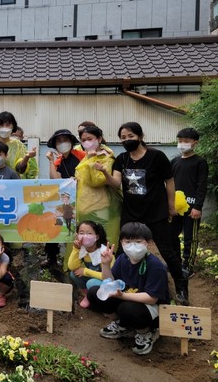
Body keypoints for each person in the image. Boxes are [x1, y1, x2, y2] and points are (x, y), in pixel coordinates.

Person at [97, 122, 189, 305]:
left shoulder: (157, 157)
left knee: (167, 251)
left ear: (140, 136)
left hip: (155, 212)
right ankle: (120, 286)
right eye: (123, 137)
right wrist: (104, 173)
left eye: (130, 136)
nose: (126, 140)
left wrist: (171, 206)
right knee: (124, 250)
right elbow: (116, 183)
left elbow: (169, 181)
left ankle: (181, 287)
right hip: (131, 212)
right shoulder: (122, 159)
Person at [87, 222, 170, 356]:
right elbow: (110, 282)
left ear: (148, 243)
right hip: (127, 299)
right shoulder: (123, 258)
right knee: (94, 293)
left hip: (153, 308)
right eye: (128, 241)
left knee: (127, 308)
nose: (133, 246)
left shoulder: (155, 266)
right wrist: (106, 264)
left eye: (138, 241)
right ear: (122, 242)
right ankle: (123, 326)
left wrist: (122, 296)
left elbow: (151, 297)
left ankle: (147, 332)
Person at [43, 128, 85, 267]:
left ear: (72, 142)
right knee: (53, 222)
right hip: (67, 199)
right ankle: (52, 257)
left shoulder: (82, 155)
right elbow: (55, 179)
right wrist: (51, 161)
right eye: (59, 141)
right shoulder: (59, 161)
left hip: (83, 199)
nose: (62, 143)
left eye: (65, 140)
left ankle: (82, 258)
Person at [168, 128, 208, 276]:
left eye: (186, 141)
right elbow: (169, 184)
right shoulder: (174, 162)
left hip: (192, 208)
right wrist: (169, 204)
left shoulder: (200, 162)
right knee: (172, 235)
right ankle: (176, 263)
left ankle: (188, 266)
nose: (182, 144)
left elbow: (202, 185)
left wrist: (198, 206)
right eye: (180, 141)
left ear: (194, 143)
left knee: (190, 238)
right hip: (175, 208)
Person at [75, 125, 122, 247]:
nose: (86, 142)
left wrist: (91, 160)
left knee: (100, 239)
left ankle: (104, 264)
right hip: (85, 205)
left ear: (99, 139)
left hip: (100, 205)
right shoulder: (86, 157)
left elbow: (96, 181)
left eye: (89, 139)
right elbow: (83, 178)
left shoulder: (106, 157)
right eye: (83, 140)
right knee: (86, 240)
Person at [68, 221, 114, 309]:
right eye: (81, 233)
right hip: (94, 278)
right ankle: (88, 295)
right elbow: (72, 266)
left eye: (89, 233)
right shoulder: (82, 249)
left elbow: (109, 278)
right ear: (77, 235)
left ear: (96, 237)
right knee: (73, 273)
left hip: (107, 282)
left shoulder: (105, 252)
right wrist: (76, 249)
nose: (85, 236)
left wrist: (86, 271)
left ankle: (99, 301)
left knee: (91, 282)